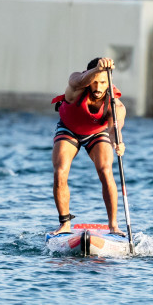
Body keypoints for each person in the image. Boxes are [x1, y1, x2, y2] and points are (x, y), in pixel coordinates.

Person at [50, 57, 127, 236]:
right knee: (60, 170)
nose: (98, 88)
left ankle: (113, 226)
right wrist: (96, 70)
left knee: (105, 170)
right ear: (88, 78)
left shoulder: (116, 105)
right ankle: (65, 224)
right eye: (94, 83)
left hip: (97, 133)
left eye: (103, 83)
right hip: (69, 129)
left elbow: (114, 128)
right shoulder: (76, 84)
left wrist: (118, 142)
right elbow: (81, 80)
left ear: (109, 82)